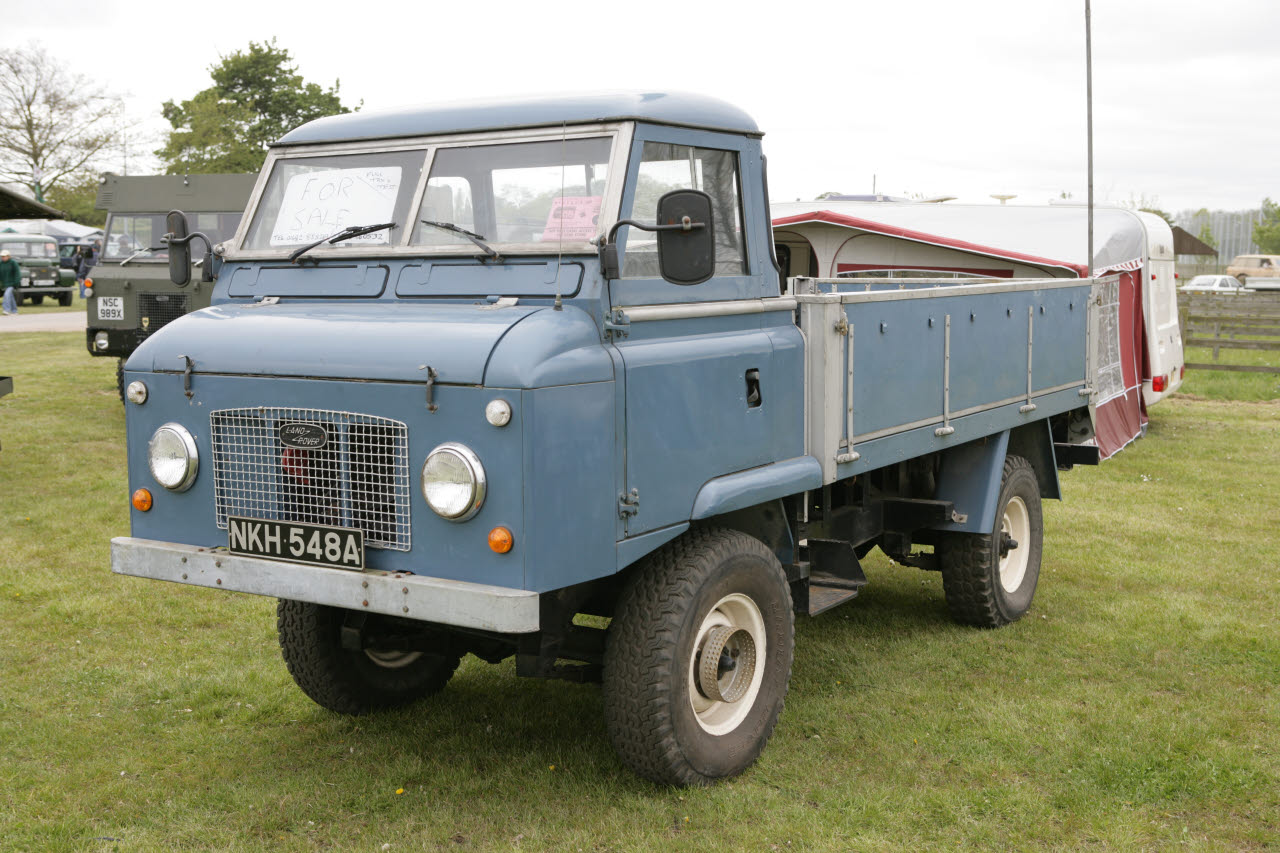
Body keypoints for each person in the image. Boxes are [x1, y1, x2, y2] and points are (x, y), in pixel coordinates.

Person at [1, 249, 21, 315]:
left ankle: (6, 309)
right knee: (10, 296)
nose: (3, 258)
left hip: (12, 283)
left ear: (8, 256)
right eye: (2, 256)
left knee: (6, 295)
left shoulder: (13, 263)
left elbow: (17, 273)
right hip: (5, 283)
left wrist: (16, 282)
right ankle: (14, 311)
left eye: (4, 256)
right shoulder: (1, 264)